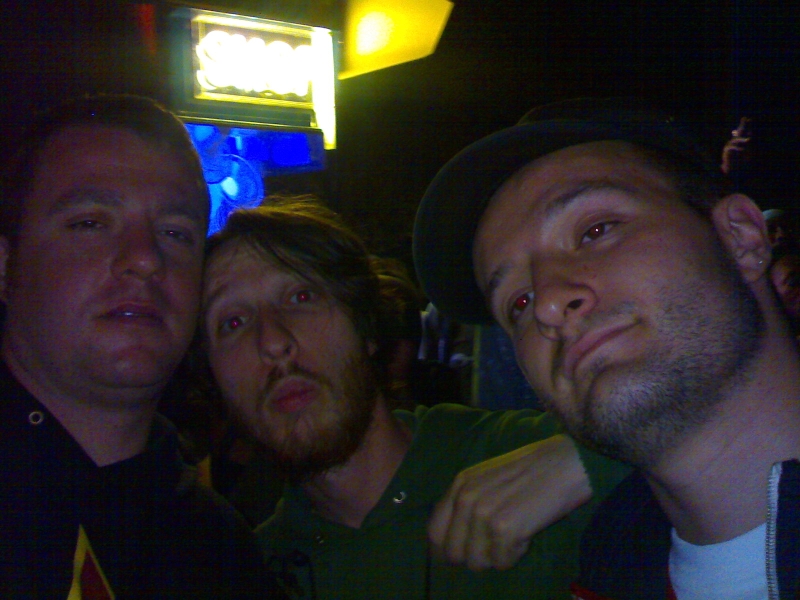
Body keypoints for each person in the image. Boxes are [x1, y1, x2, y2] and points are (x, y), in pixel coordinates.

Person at [413, 96, 800, 599]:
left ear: (740, 237)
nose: (548, 303)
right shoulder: (596, 566)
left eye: (595, 231)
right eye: (518, 302)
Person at [200, 196, 630, 599]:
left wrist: (592, 463)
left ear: (366, 328)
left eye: (300, 297)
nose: (273, 341)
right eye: (232, 322)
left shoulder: (522, 454)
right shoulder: (250, 573)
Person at [0, 94, 282, 598]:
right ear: (6, 267)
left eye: (175, 233)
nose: (146, 258)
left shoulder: (225, 554)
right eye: (90, 223)